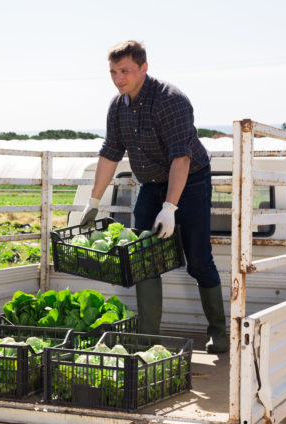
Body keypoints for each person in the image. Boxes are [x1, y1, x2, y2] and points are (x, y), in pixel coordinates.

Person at [79, 40, 228, 354]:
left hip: (191, 181)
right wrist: (92, 202)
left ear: (144, 68)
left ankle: (218, 331)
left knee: (199, 261)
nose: (119, 78)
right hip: (150, 184)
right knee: (142, 259)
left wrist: (170, 207)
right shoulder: (117, 107)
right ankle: (149, 339)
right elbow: (110, 154)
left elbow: (181, 158)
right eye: (113, 72)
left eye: (125, 71)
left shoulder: (170, 101)